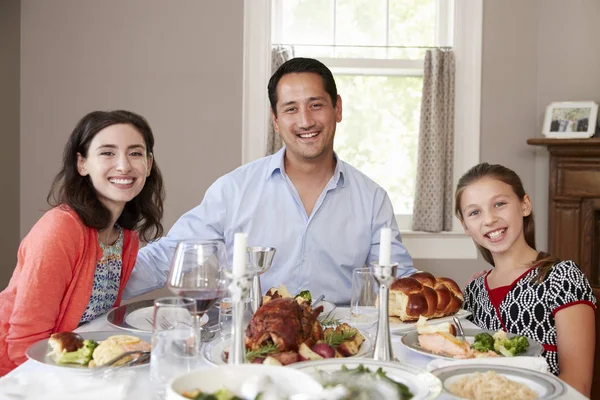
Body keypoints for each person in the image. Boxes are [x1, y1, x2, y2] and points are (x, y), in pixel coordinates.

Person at [125, 57, 415, 304]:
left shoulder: (372, 198)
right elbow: (169, 256)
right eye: (291, 109)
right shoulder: (233, 190)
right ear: (275, 120)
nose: (305, 121)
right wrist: (94, 282)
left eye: (316, 105)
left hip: (338, 347)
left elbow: (399, 281)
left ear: (337, 108)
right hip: (249, 342)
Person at [0, 110, 165, 375]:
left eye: (135, 153)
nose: (124, 165)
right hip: (15, 374)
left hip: (70, 366)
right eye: (107, 153)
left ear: (148, 163)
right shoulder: (62, 228)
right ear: (82, 164)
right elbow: (25, 344)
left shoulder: (126, 237)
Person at [456, 162, 595, 396]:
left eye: (499, 204)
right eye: (475, 212)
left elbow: (578, 385)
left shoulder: (562, 277)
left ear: (524, 205)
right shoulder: (474, 289)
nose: (489, 219)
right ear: (466, 226)